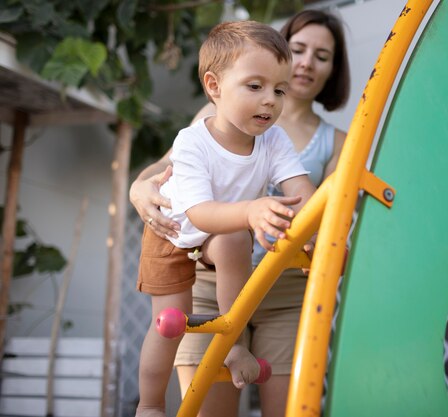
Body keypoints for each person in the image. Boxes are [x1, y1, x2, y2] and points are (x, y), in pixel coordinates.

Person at [129, 9, 351, 417]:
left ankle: (230, 344)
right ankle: (150, 404)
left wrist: (319, 233)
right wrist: (139, 186)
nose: (270, 99)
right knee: (169, 325)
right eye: (256, 85)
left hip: (260, 271)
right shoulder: (196, 137)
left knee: (234, 240)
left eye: (278, 91)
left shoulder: (275, 138)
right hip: (175, 236)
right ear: (214, 86)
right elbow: (195, 212)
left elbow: (304, 195)